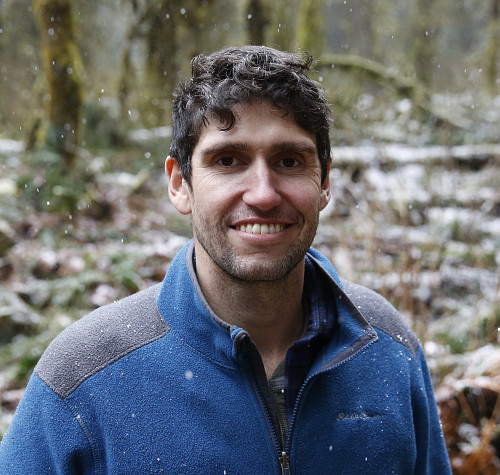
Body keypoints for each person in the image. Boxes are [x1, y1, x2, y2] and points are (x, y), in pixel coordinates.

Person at [0, 45, 451, 474]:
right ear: (180, 183)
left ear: (325, 181)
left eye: (290, 161)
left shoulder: (387, 349)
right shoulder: (85, 379)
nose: (263, 194)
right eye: (229, 160)